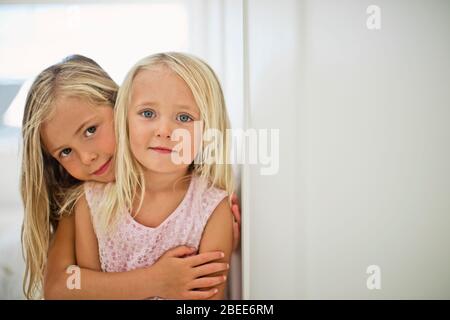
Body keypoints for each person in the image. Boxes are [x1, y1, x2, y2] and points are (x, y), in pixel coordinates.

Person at [21, 54, 241, 299]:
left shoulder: (207, 203)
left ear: (120, 108)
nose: (86, 158)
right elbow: (60, 287)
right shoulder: (85, 200)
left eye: (91, 130)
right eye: (65, 151)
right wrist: (156, 281)